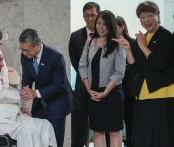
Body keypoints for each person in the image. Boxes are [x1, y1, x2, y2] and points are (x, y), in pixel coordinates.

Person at [0, 50, 57, 147]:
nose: (2, 65)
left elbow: (1, 94)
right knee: (29, 130)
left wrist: (18, 103)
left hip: (4, 120)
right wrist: (20, 94)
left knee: (44, 124)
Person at [114, 1, 174, 147]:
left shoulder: (167, 37)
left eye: (150, 15)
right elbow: (137, 69)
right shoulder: (144, 38)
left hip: (163, 96)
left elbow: (159, 64)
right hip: (143, 95)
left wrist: (141, 45)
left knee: (161, 140)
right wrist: (128, 50)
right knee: (144, 139)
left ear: (158, 16)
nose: (146, 20)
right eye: (142, 17)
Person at [79, 10, 126, 147]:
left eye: (105, 24)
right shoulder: (90, 42)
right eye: (99, 23)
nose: (101, 27)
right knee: (97, 131)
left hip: (112, 93)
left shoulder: (118, 43)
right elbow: (82, 66)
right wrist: (89, 90)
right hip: (93, 93)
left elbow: (119, 73)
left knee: (114, 131)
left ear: (111, 26)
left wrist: (105, 92)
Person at [19, 28, 73, 147]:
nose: (24, 53)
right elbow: (26, 78)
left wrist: (36, 93)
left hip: (58, 101)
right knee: (37, 136)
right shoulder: (25, 56)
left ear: (37, 45)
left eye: (26, 50)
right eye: (22, 49)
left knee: (54, 140)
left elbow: (60, 85)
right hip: (40, 103)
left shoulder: (56, 57)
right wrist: (25, 99)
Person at [68, 2, 100, 146]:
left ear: (98, 15)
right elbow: (75, 61)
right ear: (83, 17)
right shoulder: (75, 36)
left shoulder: (105, 34)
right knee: (79, 125)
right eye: (87, 15)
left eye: (93, 15)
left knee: (101, 124)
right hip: (81, 86)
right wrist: (86, 78)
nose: (90, 18)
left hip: (102, 86)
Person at [116, 16, 135, 147]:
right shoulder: (108, 43)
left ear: (122, 26)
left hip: (130, 90)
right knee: (113, 124)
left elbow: (136, 66)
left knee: (131, 122)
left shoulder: (133, 43)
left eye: (116, 26)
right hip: (113, 90)